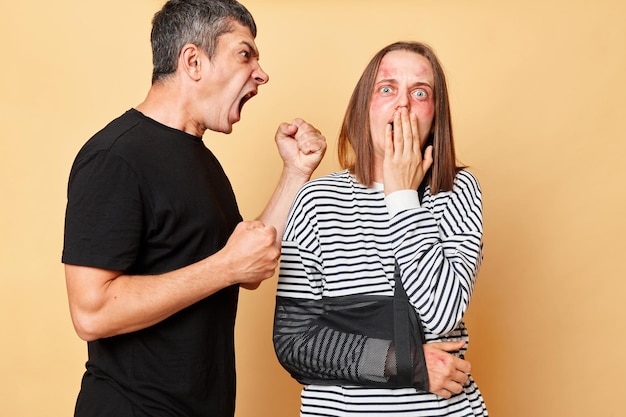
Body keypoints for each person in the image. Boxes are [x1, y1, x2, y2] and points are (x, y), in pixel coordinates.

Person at [62, 1, 326, 416]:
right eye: (245, 53)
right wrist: (226, 266)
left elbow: (248, 263)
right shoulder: (116, 156)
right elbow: (91, 313)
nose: (261, 73)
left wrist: (295, 173)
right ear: (193, 61)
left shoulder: (199, 159)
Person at [273, 41, 488, 416]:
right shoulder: (316, 199)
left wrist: (403, 195)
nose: (402, 104)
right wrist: (408, 362)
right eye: (387, 88)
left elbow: (440, 316)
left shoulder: (456, 190)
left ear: (436, 115)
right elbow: (295, 342)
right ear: (363, 107)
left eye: (419, 93)